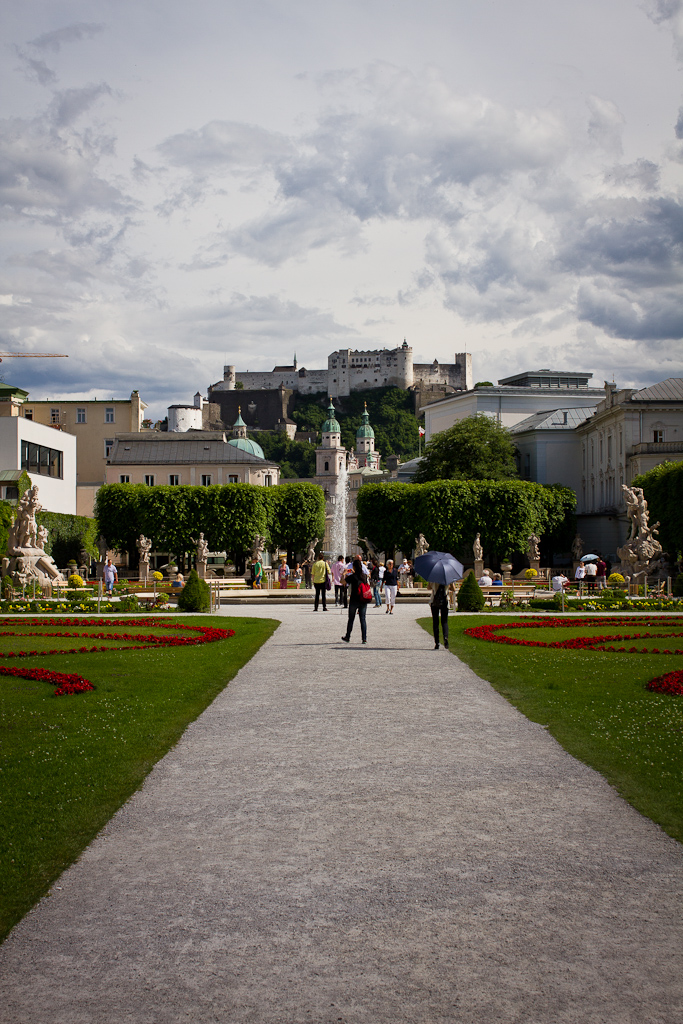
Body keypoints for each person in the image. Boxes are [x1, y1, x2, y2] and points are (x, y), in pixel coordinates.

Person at [341, 555, 369, 644]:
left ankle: (348, 636)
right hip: (363, 599)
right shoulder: (364, 576)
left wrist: (344, 574)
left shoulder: (352, 576)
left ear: (354, 567)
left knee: (351, 619)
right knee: (363, 619)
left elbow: (342, 582)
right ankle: (364, 638)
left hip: (354, 599)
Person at [429, 581, 449, 650]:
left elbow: (428, 587)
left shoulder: (433, 578)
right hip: (444, 601)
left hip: (434, 600)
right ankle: (445, 637)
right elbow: (454, 589)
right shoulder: (447, 578)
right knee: (444, 622)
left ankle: (437, 642)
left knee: (435, 622)